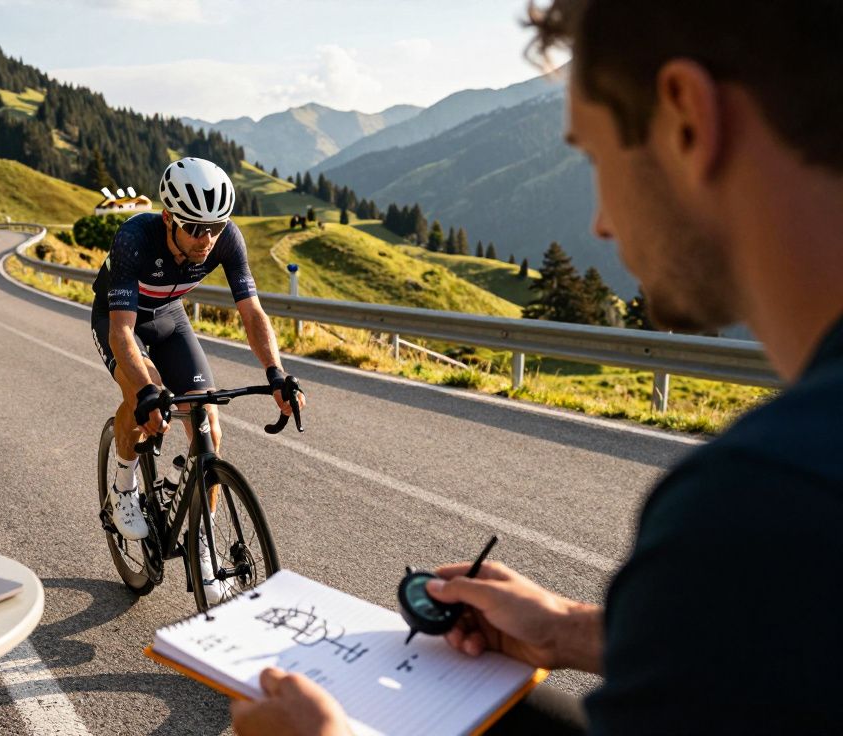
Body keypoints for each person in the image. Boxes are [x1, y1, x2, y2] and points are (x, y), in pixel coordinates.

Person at [232, 0, 843, 733]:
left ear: (686, 119)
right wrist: (571, 628)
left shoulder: (756, 510)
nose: (601, 224)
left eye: (594, 156)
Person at [90, 157, 305, 605]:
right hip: (121, 320)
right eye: (194, 228)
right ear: (168, 218)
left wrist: (277, 373)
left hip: (169, 319)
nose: (207, 239)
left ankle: (202, 551)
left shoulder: (226, 240)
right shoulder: (135, 237)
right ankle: (125, 482)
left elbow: (252, 313)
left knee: (207, 423)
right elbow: (122, 332)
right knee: (142, 397)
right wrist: (148, 390)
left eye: (216, 227)